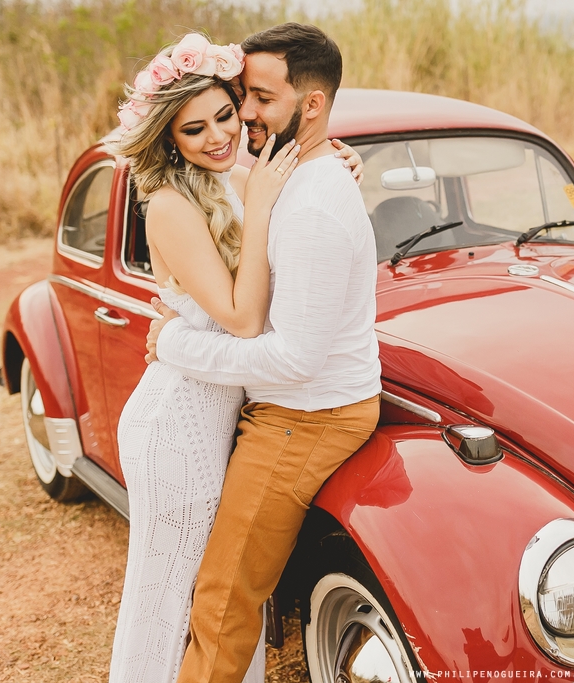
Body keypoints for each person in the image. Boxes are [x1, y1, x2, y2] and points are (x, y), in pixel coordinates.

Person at [107, 32, 364, 683]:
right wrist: (261, 207)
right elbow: (245, 317)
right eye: (194, 129)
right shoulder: (168, 204)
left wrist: (337, 161)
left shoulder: (246, 175)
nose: (220, 134)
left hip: (228, 410)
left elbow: (306, 184)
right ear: (169, 137)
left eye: (228, 113)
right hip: (178, 420)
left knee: (219, 594)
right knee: (172, 596)